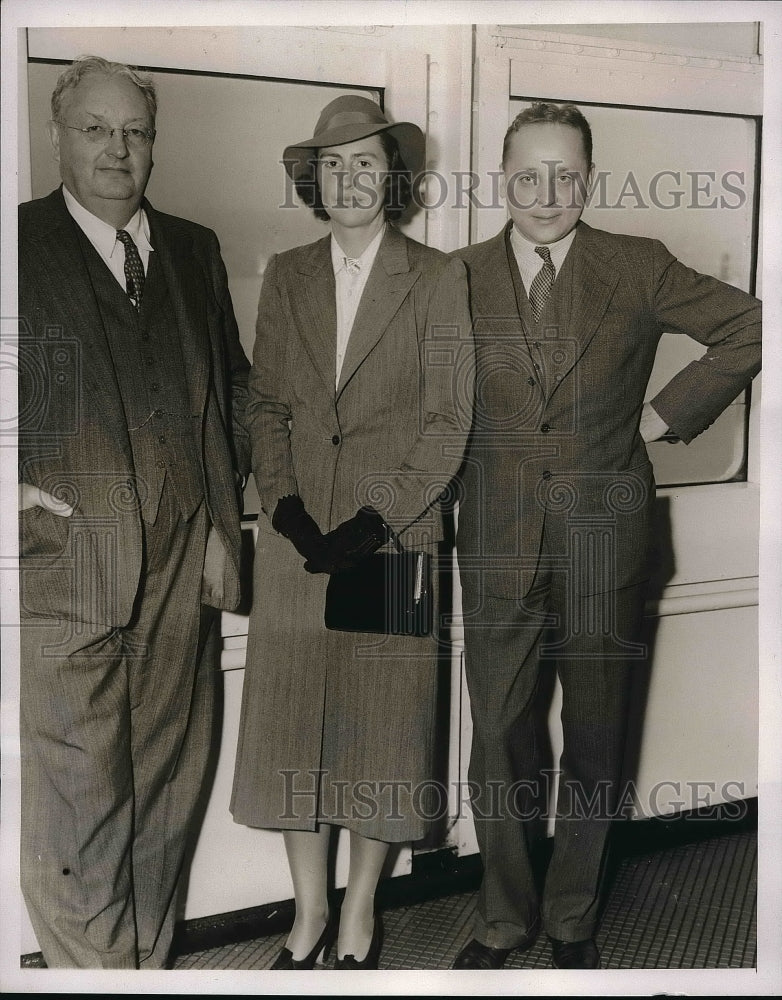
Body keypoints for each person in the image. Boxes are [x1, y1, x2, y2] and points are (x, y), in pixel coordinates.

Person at [451, 102, 761, 970]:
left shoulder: (635, 265)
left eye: (565, 174)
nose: (546, 192)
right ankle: (504, 919)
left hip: (605, 543)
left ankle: (575, 916)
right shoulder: (455, 276)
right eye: (528, 173)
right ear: (500, 176)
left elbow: (750, 324)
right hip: (499, 544)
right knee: (501, 737)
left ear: (589, 179)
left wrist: (666, 414)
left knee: (595, 740)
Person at [230, 95, 473, 970]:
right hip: (300, 546)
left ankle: (361, 912)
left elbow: (449, 424)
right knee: (295, 726)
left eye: (367, 163)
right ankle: (307, 915)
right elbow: (264, 405)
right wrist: (285, 503)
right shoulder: (287, 273)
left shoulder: (440, 277)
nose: (351, 179)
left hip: (395, 543)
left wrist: (376, 521)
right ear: (314, 180)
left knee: (382, 731)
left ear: (394, 177)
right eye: (333, 166)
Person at [17, 56, 250, 968]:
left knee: (164, 797)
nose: (118, 148)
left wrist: (242, 527)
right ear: (57, 135)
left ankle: (141, 976)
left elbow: (232, 394)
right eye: (95, 129)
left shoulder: (194, 249)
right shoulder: (16, 242)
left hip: (184, 569)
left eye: (135, 132)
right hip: (64, 571)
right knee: (80, 813)